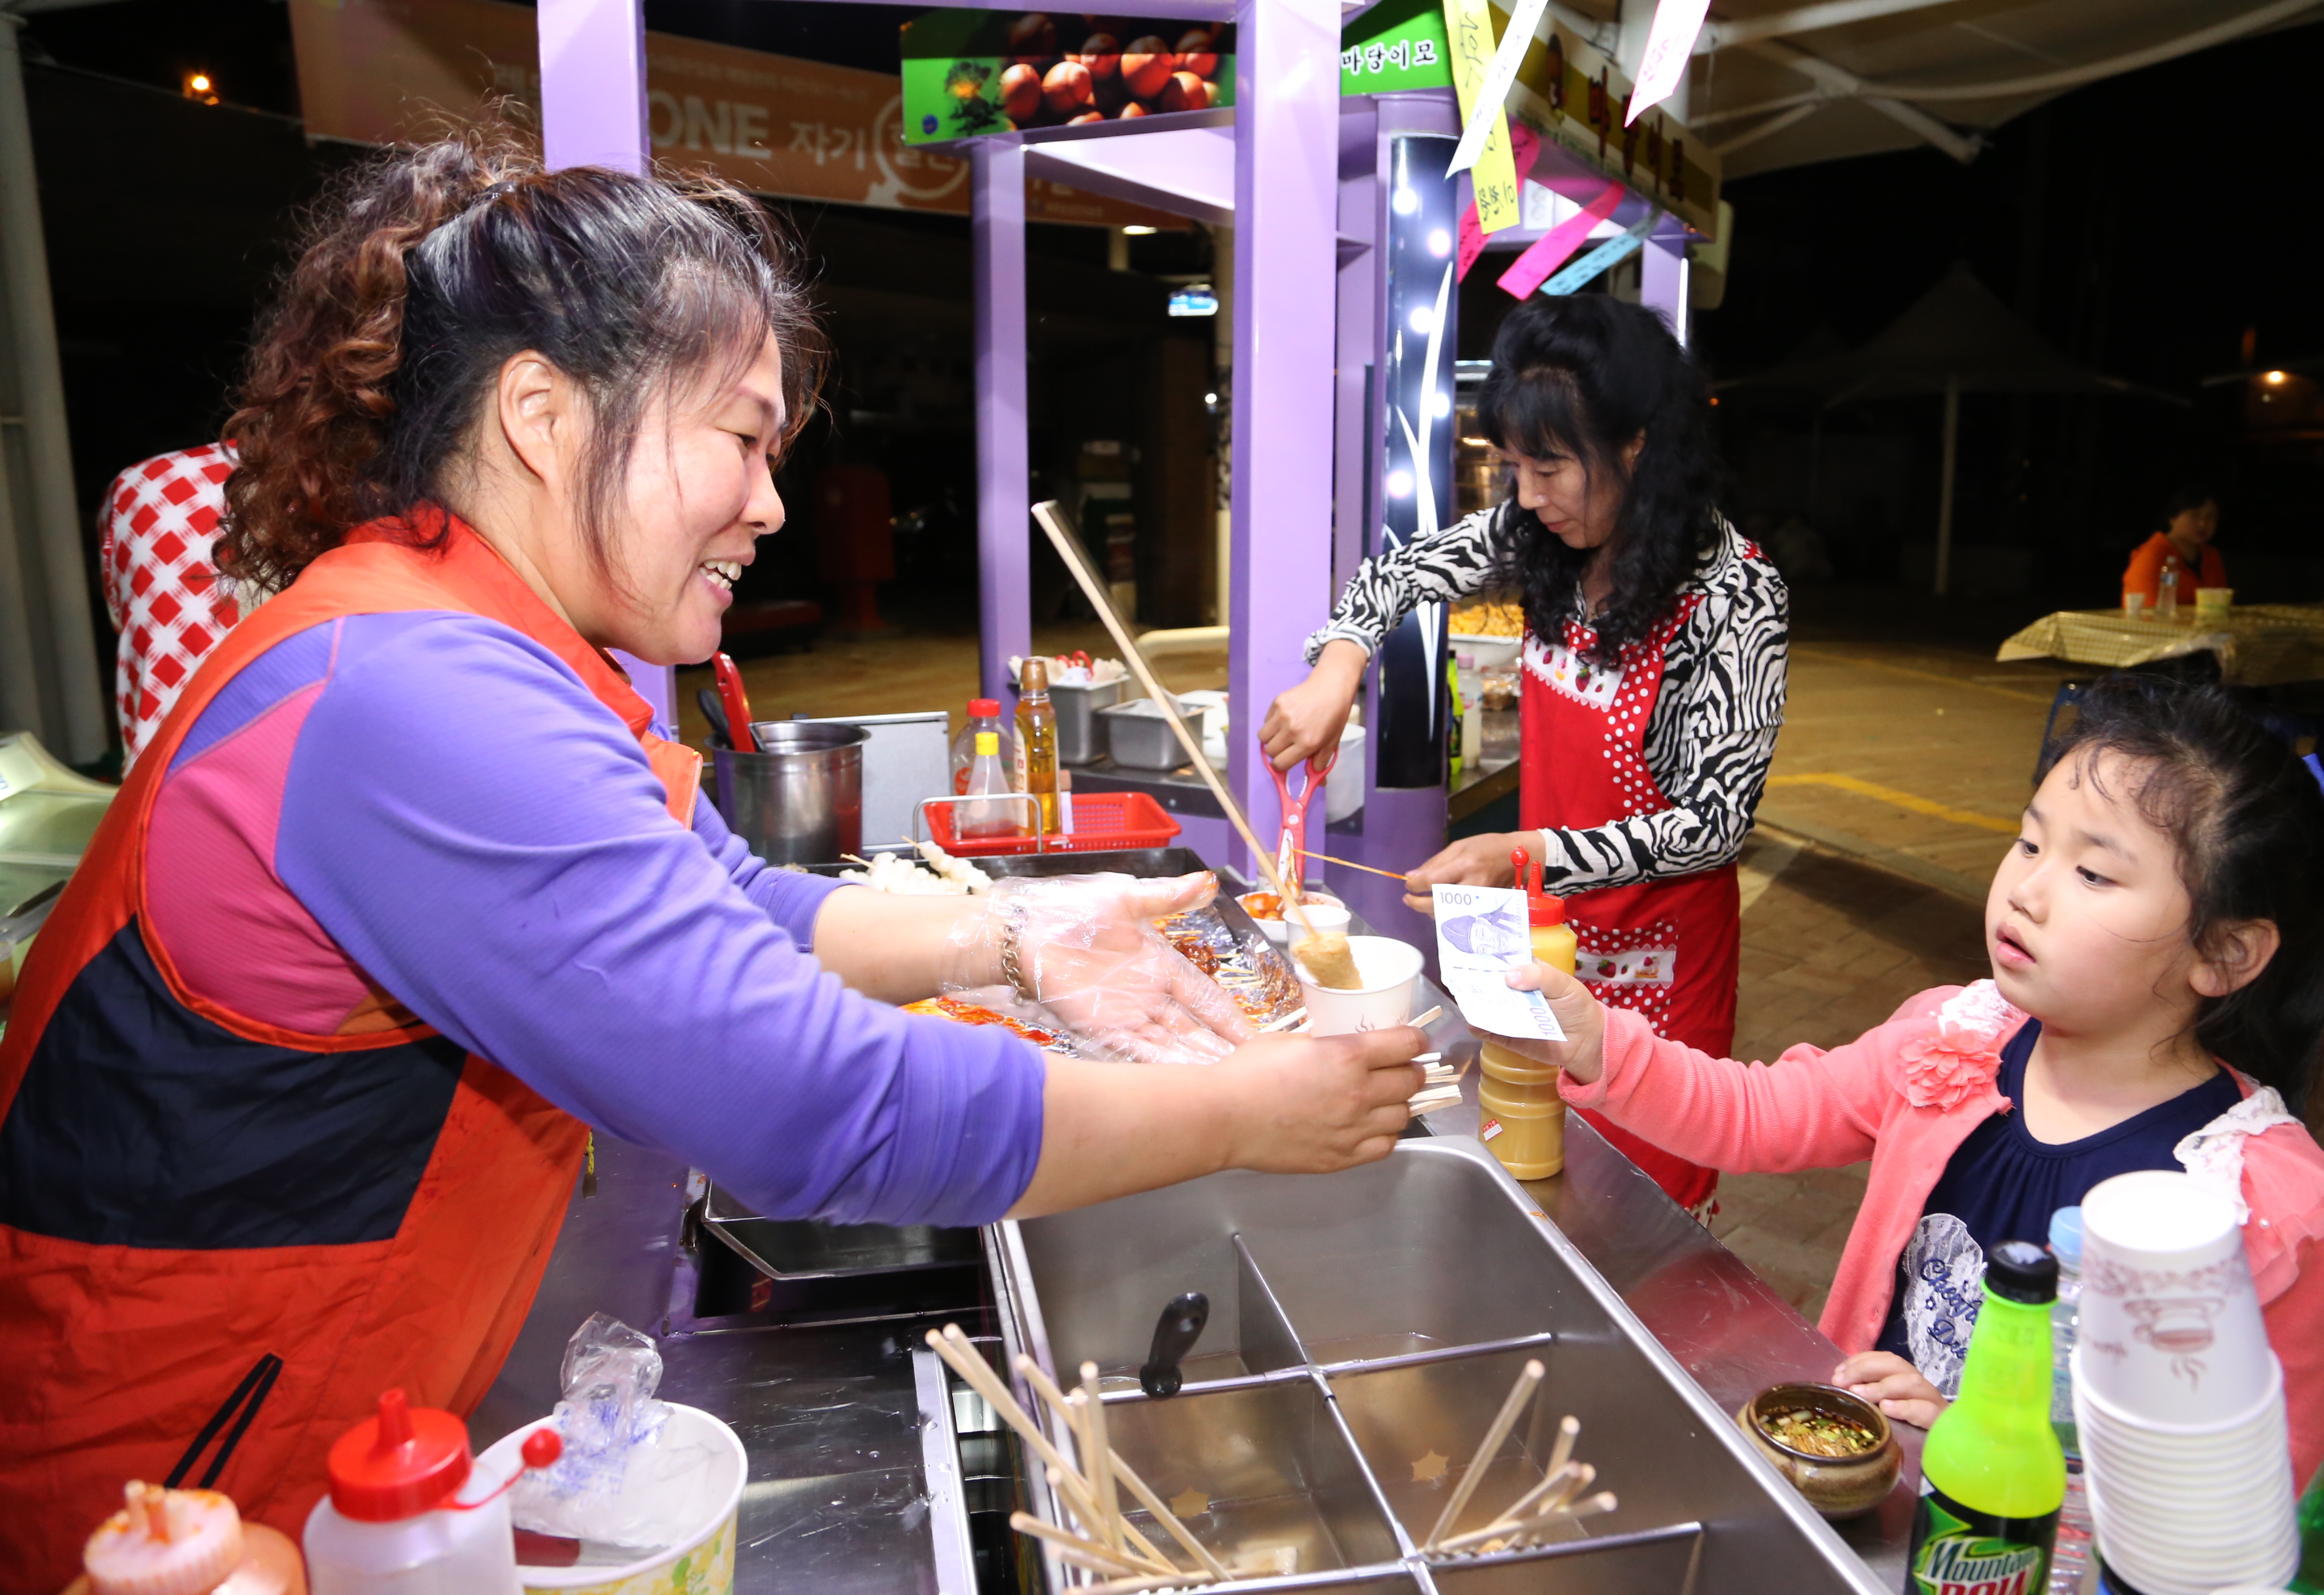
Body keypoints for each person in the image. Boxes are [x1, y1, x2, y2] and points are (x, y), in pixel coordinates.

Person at [0, 131, 1426, 1588]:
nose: (770, 502)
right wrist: (1246, 1111)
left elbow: (729, 899)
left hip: (320, 1447)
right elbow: (812, 1102)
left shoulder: (478, 643)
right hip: (170, 1494)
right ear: (544, 416)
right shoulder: (413, 696)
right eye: (740, 439)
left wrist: (1013, 934)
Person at [1483, 676, 2324, 1485]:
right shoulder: (1955, 1037)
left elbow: (2252, 1507)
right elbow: (1759, 1113)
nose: (2027, 890)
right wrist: (1596, 1040)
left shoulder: (2273, 1215)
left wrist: (1979, 1445)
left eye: (2093, 872)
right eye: (2029, 842)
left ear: (2226, 951)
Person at [1260, 294, 1788, 1211]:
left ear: (1636, 445)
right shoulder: (1538, 536)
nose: (1529, 496)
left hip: (1657, 967)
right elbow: (1398, 572)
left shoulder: (1734, 594)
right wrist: (1338, 668)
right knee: (1528, 1166)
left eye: (1551, 467)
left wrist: (1521, 852)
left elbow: (1713, 824)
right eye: (1514, 468)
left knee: (1641, 1208)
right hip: (1537, 932)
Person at [98, 441, 259, 764]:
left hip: (166, 771)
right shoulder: (355, 489)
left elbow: (123, 617)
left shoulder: (148, 482)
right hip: (299, 768)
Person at [2122, 484, 2224, 609]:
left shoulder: (2211, 556)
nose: (2203, 524)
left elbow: (2222, 603)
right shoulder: (2152, 556)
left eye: (2211, 517)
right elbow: (2146, 609)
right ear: (2172, 517)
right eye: (2194, 515)